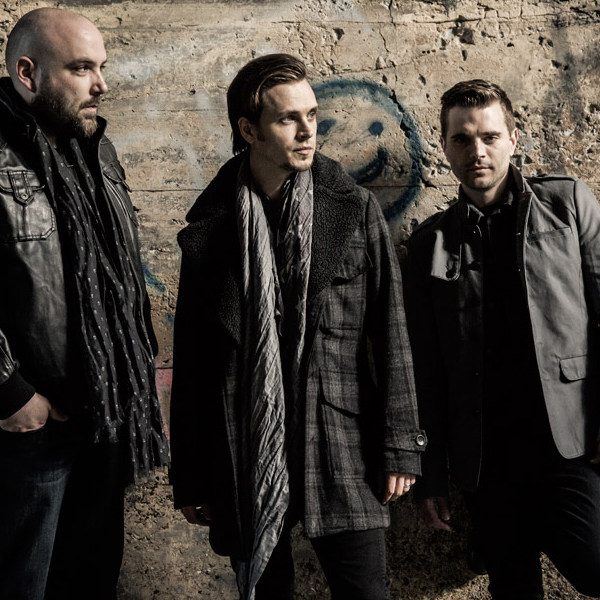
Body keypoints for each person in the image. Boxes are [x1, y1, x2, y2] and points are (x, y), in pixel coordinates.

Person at [170, 53, 426, 600]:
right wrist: (189, 473)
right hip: (246, 448)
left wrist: (401, 446)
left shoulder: (353, 208)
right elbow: (193, 360)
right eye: (289, 118)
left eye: (311, 114)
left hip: (340, 439)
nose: (309, 130)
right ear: (249, 130)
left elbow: (391, 333)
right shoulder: (212, 228)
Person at [405, 79, 600, 599]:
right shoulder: (429, 245)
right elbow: (424, 369)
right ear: (445, 147)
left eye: (489, 136)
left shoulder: (567, 203)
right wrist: (431, 475)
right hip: (485, 458)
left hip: (568, 443)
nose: (477, 151)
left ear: (513, 138)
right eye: (462, 139)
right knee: (514, 588)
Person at [0, 8, 169, 600]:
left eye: (102, 67)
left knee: (91, 582)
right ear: (28, 73)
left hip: (105, 415)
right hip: (28, 432)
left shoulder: (97, 148)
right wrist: (11, 393)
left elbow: (118, 278)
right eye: (81, 68)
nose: (101, 84)